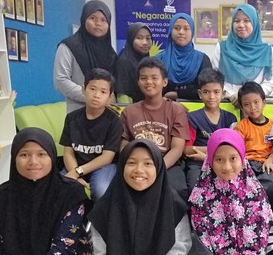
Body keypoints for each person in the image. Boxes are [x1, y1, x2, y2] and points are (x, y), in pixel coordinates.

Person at [121, 57, 189, 199]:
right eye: (143, 78)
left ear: (164, 82)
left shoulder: (176, 110)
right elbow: (124, 145)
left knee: (176, 192)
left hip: (167, 164)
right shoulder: (129, 112)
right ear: (138, 82)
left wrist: (155, 169)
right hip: (137, 164)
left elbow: (177, 149)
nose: (149, 82)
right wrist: (135, 166)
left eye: (154, 78)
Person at [60, 68, 122, 201]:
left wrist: (78, 172)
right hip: (76, 165)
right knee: (60, 187)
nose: (97, 95)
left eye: (103, 91)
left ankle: (97, 215)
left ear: (110, 96)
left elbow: (107, 157)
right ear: (84, 89)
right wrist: (75, 174)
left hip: (103, 167)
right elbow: (68, 152)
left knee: (101, 190)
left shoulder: (114, 121)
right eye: (92, 89)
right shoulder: (71, 118)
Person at [54, 0, 117, 113]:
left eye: (103, 20)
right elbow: (60, 80)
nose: (98, 23)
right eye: (93, 18)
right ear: (84, 19)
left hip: (108, 114)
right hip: (79, 112)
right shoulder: (69, 46)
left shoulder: (111, 54)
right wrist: (91, 96)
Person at [184, 68, 238, 191]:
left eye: (216, 92)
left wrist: (206, 153)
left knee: (232, 188)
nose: (211, 96)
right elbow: (187, 150)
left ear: (223, 93)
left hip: (225, 163)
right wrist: (218, 151)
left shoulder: (230, 118)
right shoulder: (192, 118)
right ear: (200, 94)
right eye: (206, 92)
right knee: (196, 188)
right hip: (197, 164)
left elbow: (233, 149)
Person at [211, 4, 273, 101]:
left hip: (255, 105)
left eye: (246, 20)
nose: (241, 25)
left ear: (255, 23)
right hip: (227, 103)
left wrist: (247, 96)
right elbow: (214, 79)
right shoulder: (221, 48)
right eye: (236, 21)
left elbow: (270, 82)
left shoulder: (267, 51)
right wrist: (231, 95)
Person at [157, 13, 212, 101]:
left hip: (195, 108)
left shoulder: (202, 60)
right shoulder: (158, 60)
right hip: (163, 106)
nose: (181, 32)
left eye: (186, 29)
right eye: (177, 28)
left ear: (192, 32)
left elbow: (207, 89)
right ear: (170, 30)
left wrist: (177, 94)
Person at [235, 81, 273, 189]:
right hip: (247, 163)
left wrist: (269, 161)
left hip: (267, 162)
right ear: (242, 107)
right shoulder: (241, 126)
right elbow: (237, 149)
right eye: (247, 104)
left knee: (271, 183)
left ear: (264, 102)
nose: (252, 107)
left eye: (256, 102)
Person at [115, 22, 153, 103]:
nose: (145, 42)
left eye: (148, 38)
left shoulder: (146, 60)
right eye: (139, 38)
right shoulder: (124, 61)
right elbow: (122, 93)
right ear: (131, 39)